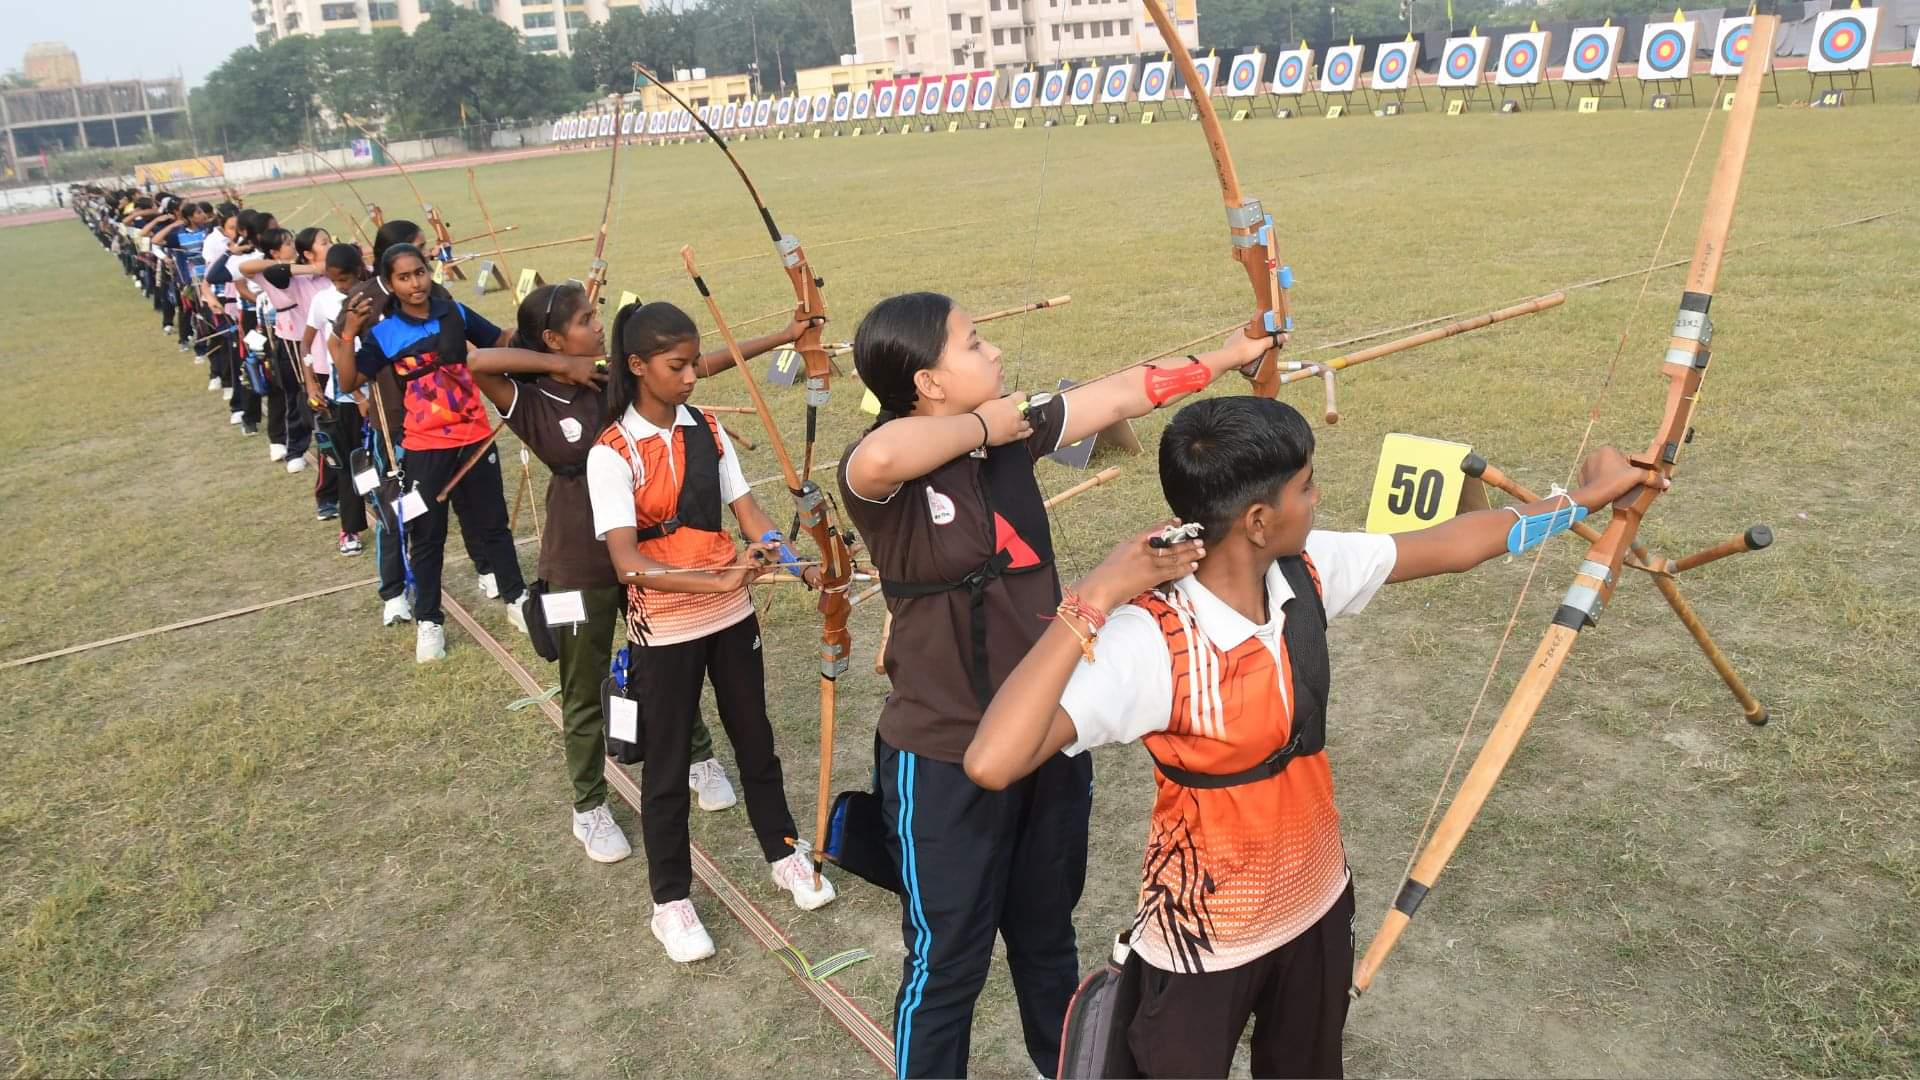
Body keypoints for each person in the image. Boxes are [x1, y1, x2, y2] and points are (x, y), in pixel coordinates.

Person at [962, 396, 1661, 1078]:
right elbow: (994, 760)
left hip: (1316, 903)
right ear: (1260, 520)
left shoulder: (1303, 569)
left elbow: (1455, 545)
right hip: (1204, 939)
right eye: (1307, 487)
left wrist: (1587, 499)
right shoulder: (1150, 639)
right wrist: (1097, 595)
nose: (1318, 497)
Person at [838, 291, 1271, 1078]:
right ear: (928, 383)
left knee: (1045, 939)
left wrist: (1233, 354)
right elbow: (873, 462)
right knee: (946, 967)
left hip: (1048, 738)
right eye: (973, 345)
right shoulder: (890, 475)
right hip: (939, 756)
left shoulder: (1012, 435)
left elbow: (1120, 393)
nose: (994, 354)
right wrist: (981, 427)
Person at [583, 299, 836, 962]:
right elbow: (627, 561)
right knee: (666, 768)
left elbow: (747, 509)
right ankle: (670, 902)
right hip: (664, 628)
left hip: (731, 615)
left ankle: (783, 853)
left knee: (755, 738)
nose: (694, 374)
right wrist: (714, 582)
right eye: (678, 365)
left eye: (696, 361)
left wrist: (789, 555)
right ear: (638, 367)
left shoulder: (708, 430)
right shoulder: (611, 453)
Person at [335, 243, 528, 662]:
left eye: (420, 272)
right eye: (404, 277)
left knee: (492, 523)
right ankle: (429, 621)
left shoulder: (455, 314)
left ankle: (517, 599)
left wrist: (532, 319)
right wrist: (349, 333)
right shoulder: (385, 335)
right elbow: (350, 381)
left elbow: (498, 341)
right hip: (424, 448)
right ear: (391, 284)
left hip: (475, 438)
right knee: (427, 535)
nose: (415, 283)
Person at [303, 242, 371, 557]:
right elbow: (321, 346)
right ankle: (350, 530)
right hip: (346, 398)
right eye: (334, 280)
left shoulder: (375, 296)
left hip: (383, 395)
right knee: (349, 463)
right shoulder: (325, 301)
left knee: (383, 462)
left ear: (359, 270)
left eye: (345, 279)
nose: (340, 286)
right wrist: (312, 384)